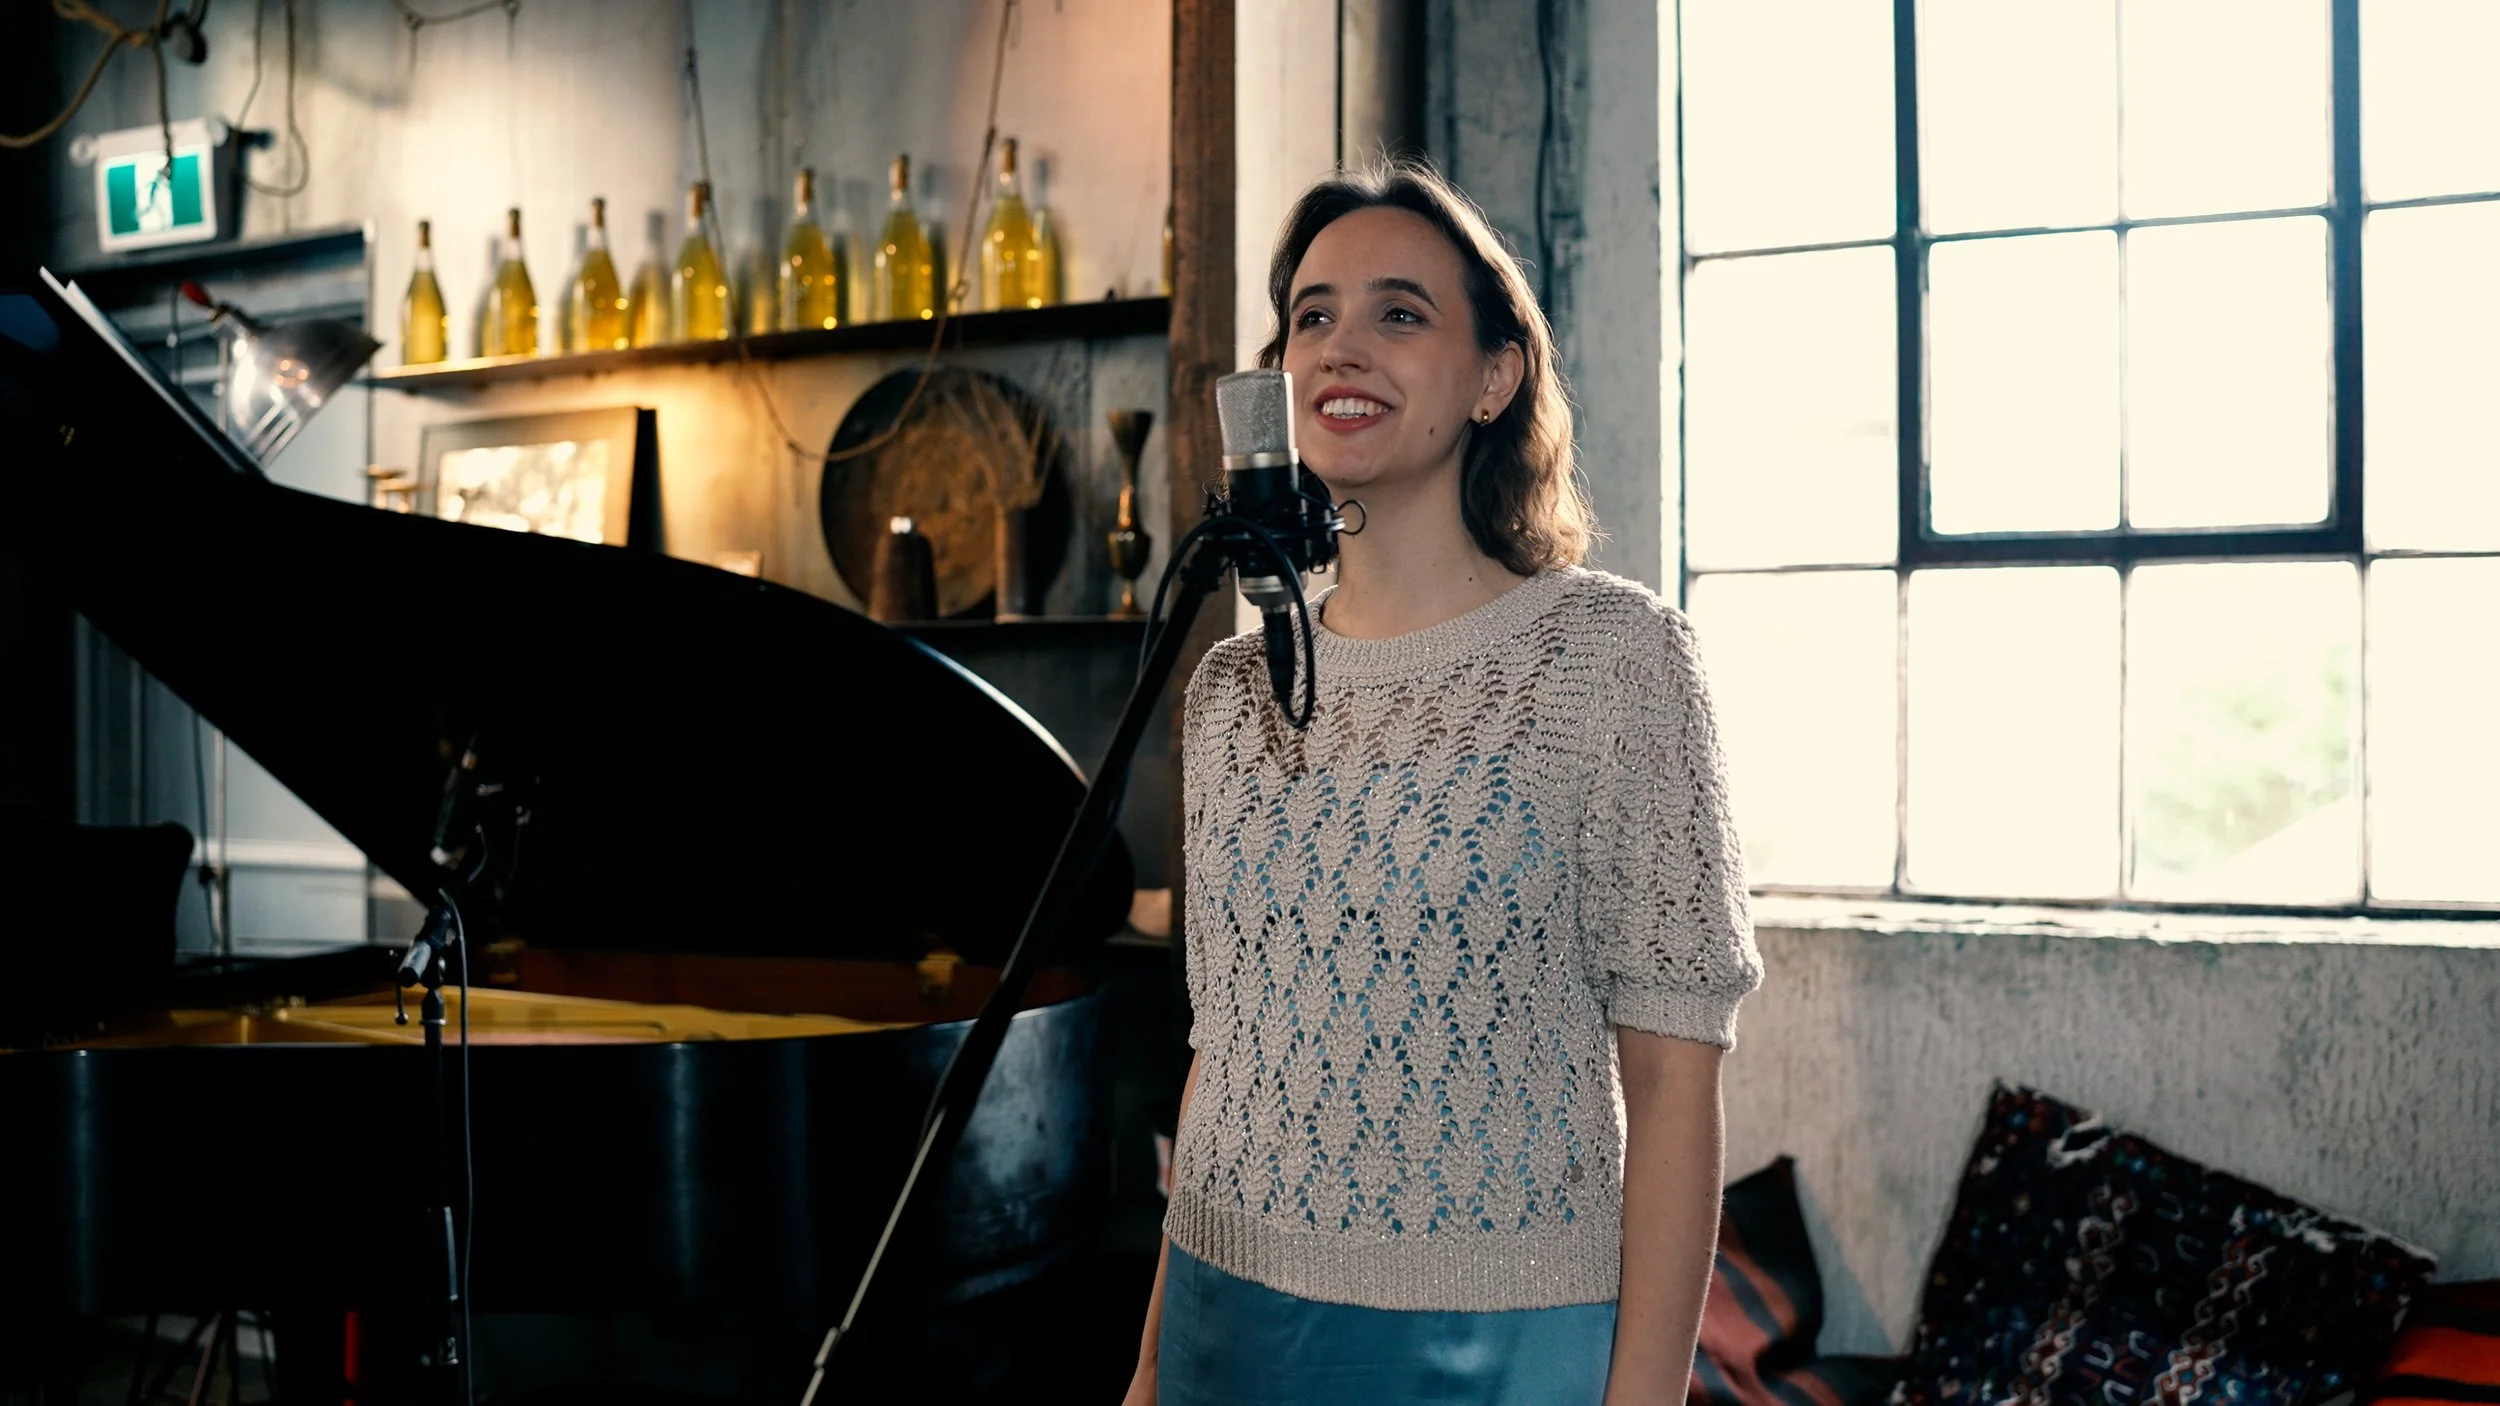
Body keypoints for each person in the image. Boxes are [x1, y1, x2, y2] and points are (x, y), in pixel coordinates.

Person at [1124, 160, 1765, 1406]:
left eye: (1398, 313)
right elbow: (1226, 1049)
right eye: (1311, 316)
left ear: (1493, 377)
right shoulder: (1228, 693)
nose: (1339, 348)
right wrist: (1153, 1358)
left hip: (1496, 1344)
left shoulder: (1611, 662)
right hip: (1225, 1315)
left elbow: (1675, 1078)